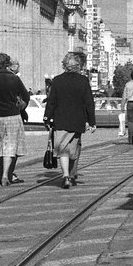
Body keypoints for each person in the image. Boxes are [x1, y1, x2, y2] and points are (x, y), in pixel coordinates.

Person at [44, 52, 96, 188]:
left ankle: (66, 175)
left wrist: (47, 117)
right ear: (78, 66)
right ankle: (72, 175)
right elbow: (89, 102)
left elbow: (51, 102)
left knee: (63, 150)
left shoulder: (57, 80)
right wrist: (92, 122)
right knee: (74, 149)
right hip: (77, 120)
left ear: (65, 65)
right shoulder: (83, 81)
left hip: (60, 119)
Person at [0, 53, 30, 185]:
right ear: (7, 64)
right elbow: (25, 96)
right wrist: (19, 107)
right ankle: (4, 176)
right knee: (9, 146)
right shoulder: (14, 79)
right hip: (12, 115)